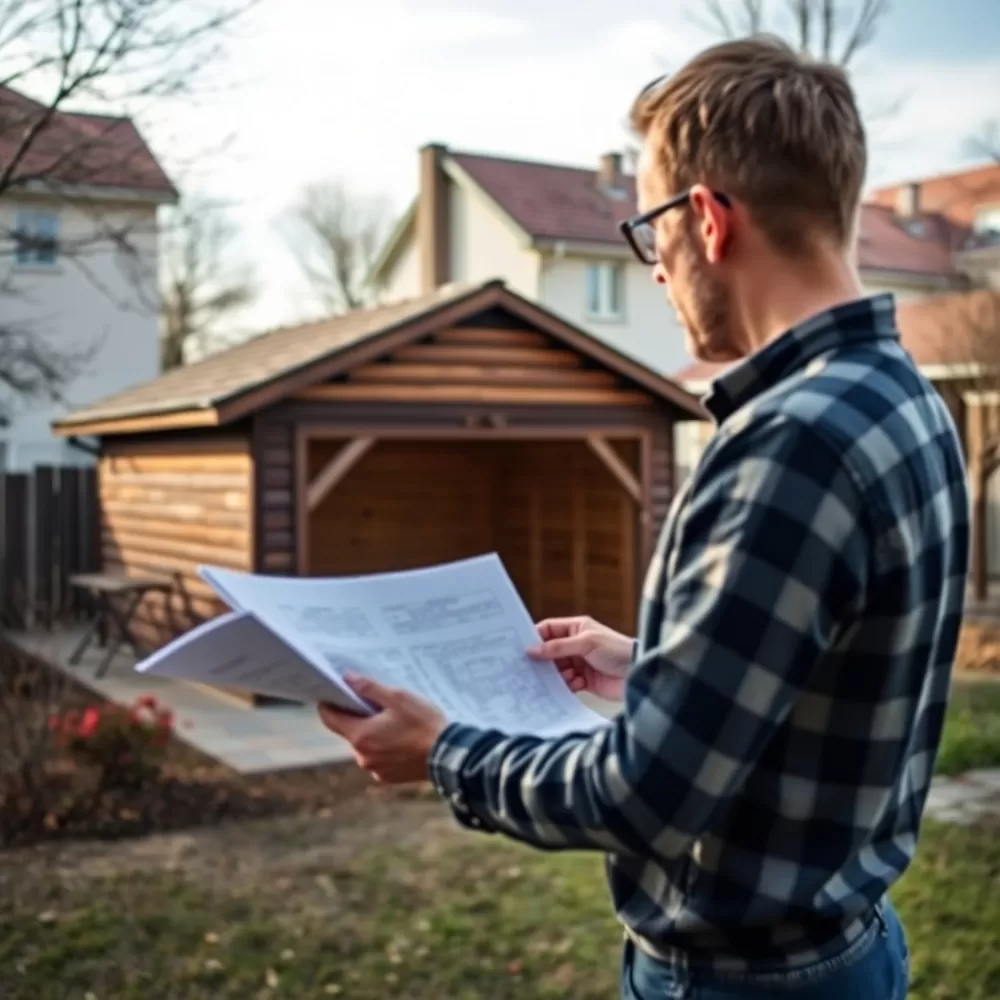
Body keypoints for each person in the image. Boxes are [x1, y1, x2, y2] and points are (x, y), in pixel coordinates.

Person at [318, 35, 969, 999]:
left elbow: (648, 794)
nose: (654, 267)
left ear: (706, 219)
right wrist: (655, 663)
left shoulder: (786, 445)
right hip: (849, 943)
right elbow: (835, 670)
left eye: (650, 230)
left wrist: (444, 752)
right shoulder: (903, 399)